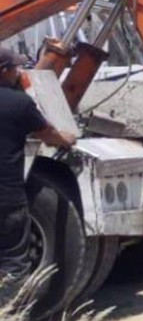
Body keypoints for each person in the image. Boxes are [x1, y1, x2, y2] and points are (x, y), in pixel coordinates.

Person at [0, 46, 76, 301]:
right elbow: (49, 135)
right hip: (7, 197)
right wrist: (67, 139)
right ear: (4, 72)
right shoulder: (19, 103)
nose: (18, 71)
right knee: (13, 261)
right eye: (15, 68)